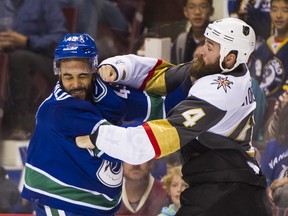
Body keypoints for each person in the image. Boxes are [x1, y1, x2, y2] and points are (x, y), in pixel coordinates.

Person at [76, 17, 272, 215]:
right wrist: (118, 67)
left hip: (229, 195)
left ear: (229, 58)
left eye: (210, 47)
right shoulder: (222, 70)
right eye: (205, 43)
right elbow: (162, 75)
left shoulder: (220, 93)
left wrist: (99, 137)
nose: (202, 51)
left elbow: (158, 138)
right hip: (233, 189)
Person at [21, 33, 192, 215]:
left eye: (82, 76)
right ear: (59, 73)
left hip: (97, 205)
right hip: (62, 203)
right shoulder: (57, 110)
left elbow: (162, 107)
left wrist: (195, 79)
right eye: (68, 77)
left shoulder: (106, 92)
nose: (76, 84)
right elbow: (120, 144)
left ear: (93, 70)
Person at [0, 0, 67, 139]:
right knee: (15, 58)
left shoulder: (45, 3)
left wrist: (27, 41)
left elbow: (60, 38)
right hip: (8, 55)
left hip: (45, 58)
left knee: (19, 58)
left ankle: (19, 125)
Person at [250, 0, 288, 101]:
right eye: (274, 10)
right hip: (259, 106)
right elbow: (254, 82)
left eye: (285, 10)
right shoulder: (263, 48)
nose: (279, 15)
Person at [260, 91, 288, 208]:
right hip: (275, 204)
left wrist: (283, 181)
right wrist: (268, 189)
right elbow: (263, 178)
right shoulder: (274, 145)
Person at [170, 0, 214, 64]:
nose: (197, 12)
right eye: (191, 7)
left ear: (211, 10)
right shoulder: (181, 41)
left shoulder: (217, 41)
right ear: (185, 11)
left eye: (203, 6)